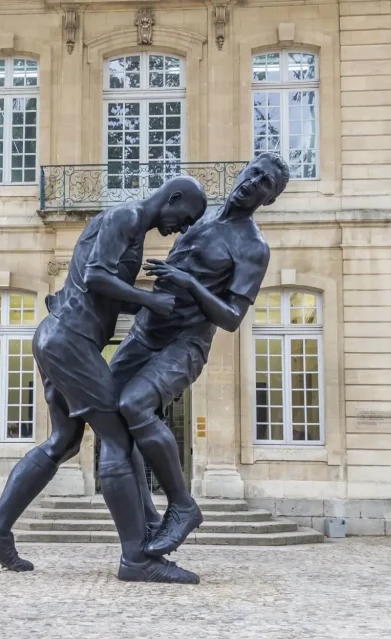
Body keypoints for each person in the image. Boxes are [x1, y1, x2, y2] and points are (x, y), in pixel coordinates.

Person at [0, 175, 208, 584]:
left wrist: (154, 299)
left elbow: (102, 291)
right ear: (172, 198)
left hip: (59, 338)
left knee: (63, 441)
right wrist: (149, 298)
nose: (183, 228)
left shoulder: (127, 225)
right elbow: (97, 276)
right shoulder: (127, 216)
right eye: (186, 218)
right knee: (117, 437)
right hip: (70, 343)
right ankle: (137, 558)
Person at [110, 152, 290, 557]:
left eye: (265, 184)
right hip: (144, 331)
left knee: (133, 404)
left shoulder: (252, 248)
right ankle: (147, 520)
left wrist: (190, 283)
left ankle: (184, 505)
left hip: (185, 343)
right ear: (242, 168)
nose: (254, 182)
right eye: (254, 172)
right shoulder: (201, 215)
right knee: (109, 418)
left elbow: (230, 318)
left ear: (270, 200)